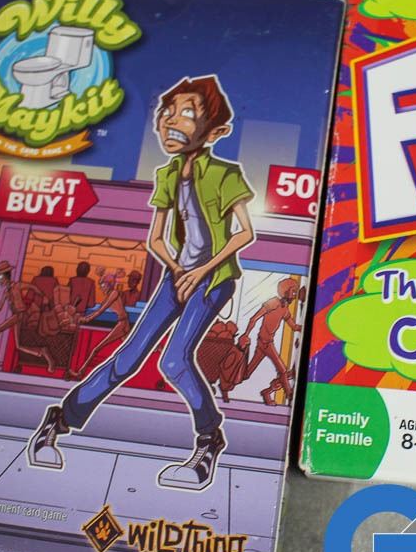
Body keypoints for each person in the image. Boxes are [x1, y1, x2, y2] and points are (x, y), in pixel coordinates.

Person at [29, 75, 254, 491]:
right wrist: (177, 268)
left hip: (213, 279)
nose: (171, 120)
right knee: (129, 356)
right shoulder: (168, 174)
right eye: (168, 111)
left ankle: (209, 438)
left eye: (188, 113)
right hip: (178, 275)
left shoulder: (225, 174)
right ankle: (59, 420)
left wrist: (199, 272)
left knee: (174, 361)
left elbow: (244, 234)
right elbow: (156, 240)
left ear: (215, 131)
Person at [239, 277, 302, 405]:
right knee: (282, 370)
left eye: (296, 291)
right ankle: (290, 395)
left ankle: (266, 393)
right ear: (285, 291)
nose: (295, 294)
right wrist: (246, 334)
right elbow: (253, 319)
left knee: (246, 374)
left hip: (266, 343)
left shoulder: (285, 309)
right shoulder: (273, 302)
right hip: (265, 343)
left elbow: (294, 327)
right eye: (293, 291)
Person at [69, 270, 131, 380]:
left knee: (96, 349)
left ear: (108, 284)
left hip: (122, 324)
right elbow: (99, 310)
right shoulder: (109, 295)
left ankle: (80, 373)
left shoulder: (114, 293)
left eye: (102, 285)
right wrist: (86, 318)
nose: (101, 288)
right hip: (122, 323)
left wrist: (86, 319)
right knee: (131, 347)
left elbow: (100, 311)